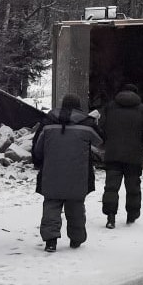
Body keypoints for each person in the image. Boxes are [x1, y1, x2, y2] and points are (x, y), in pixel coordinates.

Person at [31, 94, 103, 251]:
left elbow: (37, 149)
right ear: (78, 107)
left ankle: (50, 241)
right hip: (78, 174)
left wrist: (41, 161)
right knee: (76, 205)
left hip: (51, 172)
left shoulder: (48, 122)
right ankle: (76, 239)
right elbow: (100, 141)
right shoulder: (87, 124)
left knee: (51, 204)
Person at [99, 83, 143, 229]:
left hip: (113, 155)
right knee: (133, 187)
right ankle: (131, 216)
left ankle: (111, 218)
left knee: (111, 187)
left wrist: (108, 142)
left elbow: (101, 126)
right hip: (133, 155)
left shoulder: (109, 107)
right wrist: (140, 146)